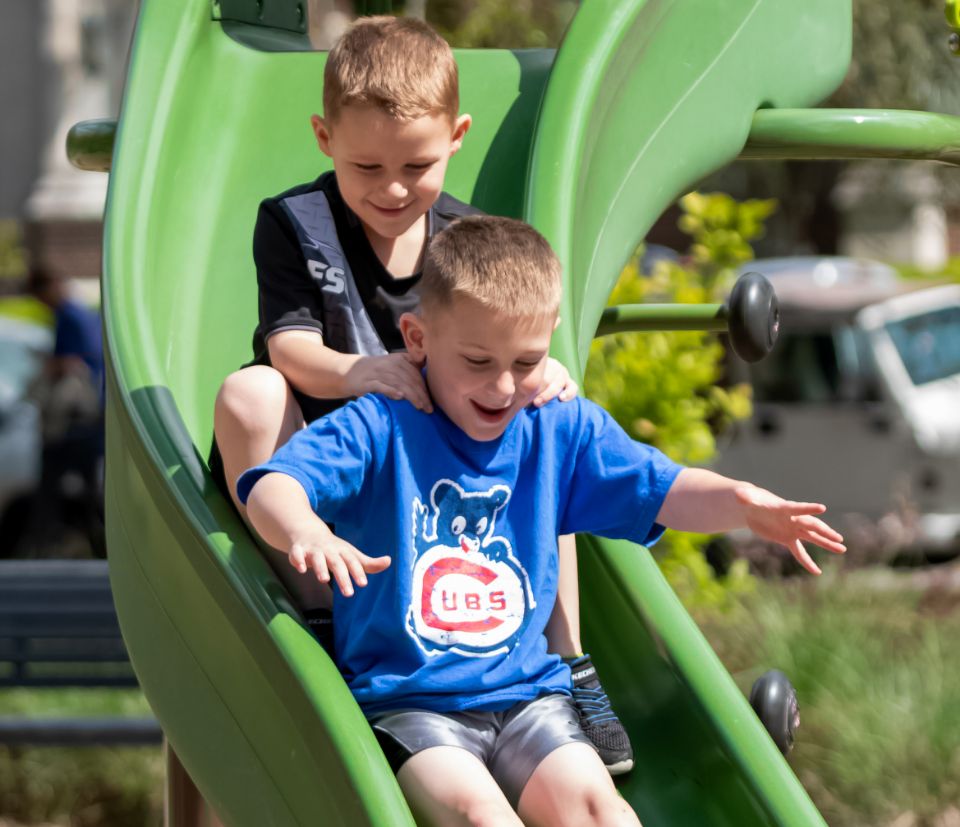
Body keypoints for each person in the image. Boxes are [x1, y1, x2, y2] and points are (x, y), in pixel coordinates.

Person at [238, 216, 846, 827]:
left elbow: (662, 487)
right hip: (412, 703)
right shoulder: (382, 423)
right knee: (481, 816)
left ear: (550, 337)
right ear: (417, 338)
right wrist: (307, 531)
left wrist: (740, 501)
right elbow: (275, 485)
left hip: (530, 697)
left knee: (603, 811)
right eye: (477, 362)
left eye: (526, 361)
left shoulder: (557, 425)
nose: (503, 386)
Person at [212, 15, 634, 772]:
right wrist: (359, 372)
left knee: (542, 427)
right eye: (366, 167)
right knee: (249, 393)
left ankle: (567, 657)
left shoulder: (469, 239)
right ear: (324, 137)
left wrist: (544, 378)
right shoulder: (295, 224)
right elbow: (289, 346)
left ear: (458, 135)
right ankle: (316, 617)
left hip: (428, 475)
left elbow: (504, 350)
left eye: (417, 164)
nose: (394, 188)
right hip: (335, 465)